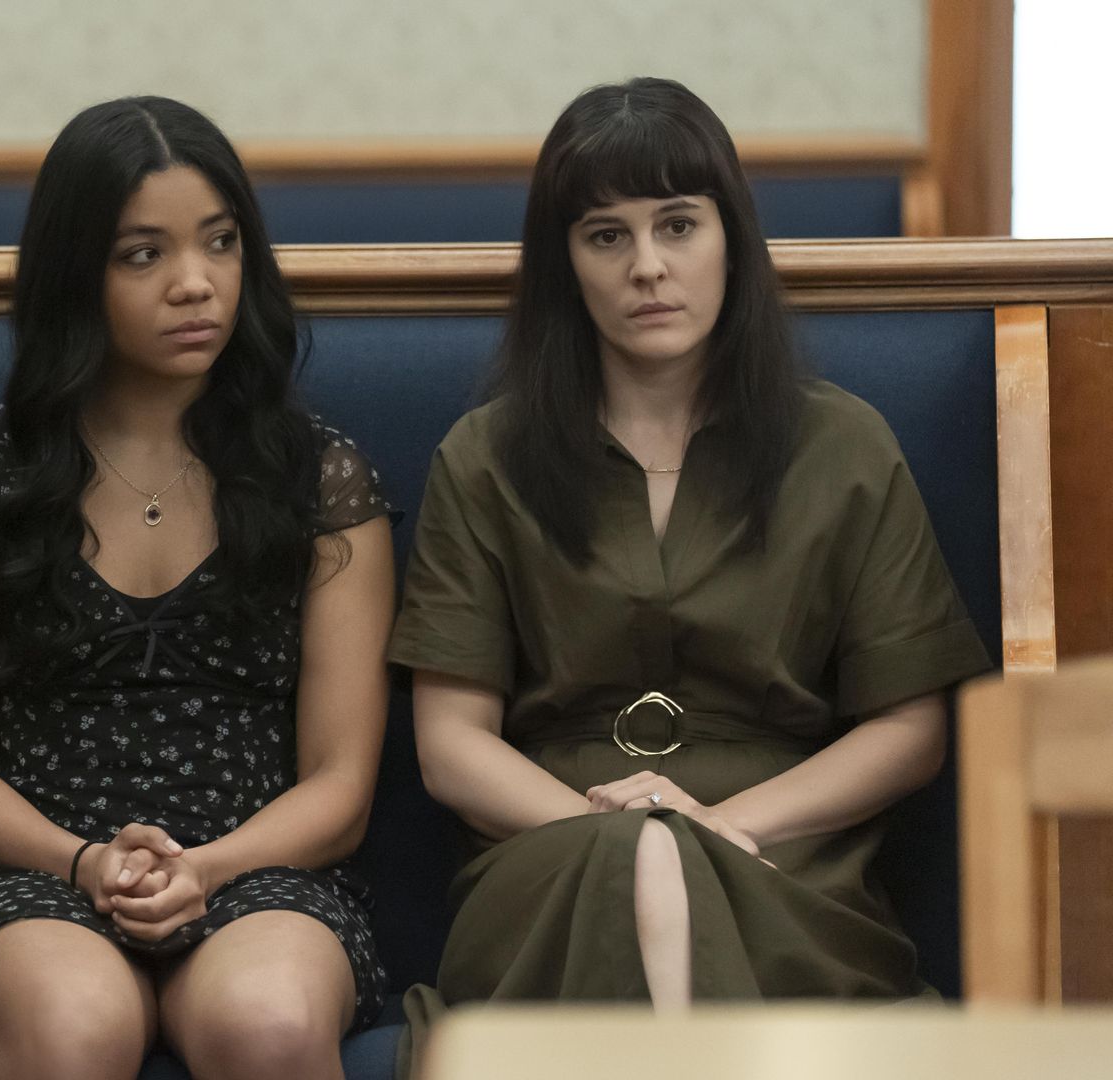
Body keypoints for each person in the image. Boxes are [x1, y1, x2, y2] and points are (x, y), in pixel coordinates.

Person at [388, 77, 993, 1072]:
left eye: (678, 224)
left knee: (661, 856)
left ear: (732, 240)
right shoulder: (485, 454)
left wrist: (710, 825)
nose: (648, 267)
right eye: (606, 236)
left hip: (789, 861)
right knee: (642, 860)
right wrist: (618, 829)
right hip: (548, 861)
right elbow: (452, 746)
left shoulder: (844, 444)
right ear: (565, 265)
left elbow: (909, 729)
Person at [0, 96, 395, 1080]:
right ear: (75, 275)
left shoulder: (322, 474)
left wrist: (206, 870)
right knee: (71, 1025)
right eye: (143, 255)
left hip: (262, 869)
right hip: (33, 871)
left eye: (220, 244)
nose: (194, 285)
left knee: (267, 1023)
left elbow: (339, 786)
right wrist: (86, 863)